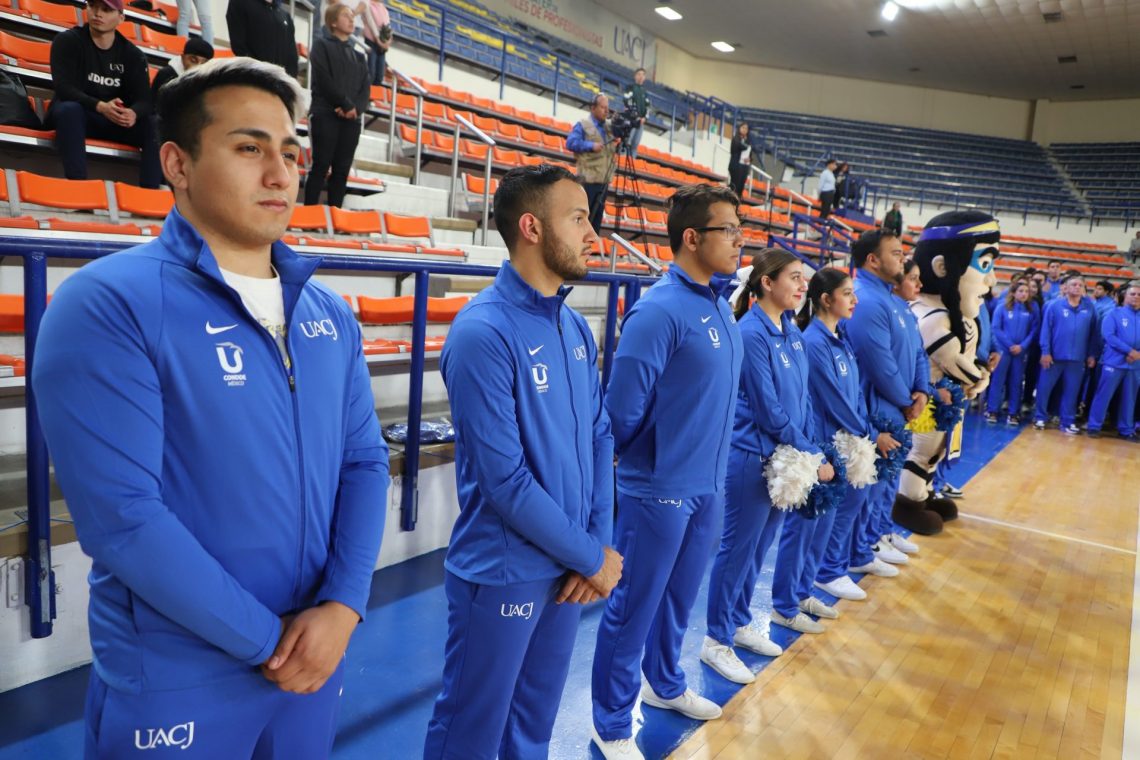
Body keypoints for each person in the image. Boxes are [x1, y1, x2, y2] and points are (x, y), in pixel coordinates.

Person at [33, 57, 389, 758]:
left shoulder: (328, 313)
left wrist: (344, 607)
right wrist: (273, 644)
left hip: (314, 658)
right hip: (181, 678)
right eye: (249, 148)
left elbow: (364, 462)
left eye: (290, 153)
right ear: (178, 164)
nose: (280, 174)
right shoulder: (109, 304)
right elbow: (124, 521)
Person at [423, 164, 621, 759]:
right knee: (471, 730)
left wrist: (595, 546)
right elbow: (504, 480)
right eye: (579, 219)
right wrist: (591, 556)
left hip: (569, 567)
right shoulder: (482, 332)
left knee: (533, 728)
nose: (594, 236)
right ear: (532, 228)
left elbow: (600, 435)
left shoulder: (574, 327)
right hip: (505, 570)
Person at [592, 184, 744, 760]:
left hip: (708, 485)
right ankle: (611, 723)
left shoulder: (719, 305)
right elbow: (621, 410)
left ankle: (664, 683)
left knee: (678, 600)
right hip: (658, 488)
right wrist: (649, 462)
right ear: (692, 237)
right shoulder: (658, 310)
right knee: (632, 609)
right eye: (729, 229)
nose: (739, 240)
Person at [803, 268, 901, 603]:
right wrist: (871, 434)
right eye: (847, 293)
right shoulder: (814, 342)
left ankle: (835, 565)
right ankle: (826, 572)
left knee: (854, 501)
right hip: (829, 440)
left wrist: (866, 430)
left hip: (852, 435)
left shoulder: (840, 338)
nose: (854, 299)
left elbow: (856, 394)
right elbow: (834, 400)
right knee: (829, 512)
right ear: (825, 299)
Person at [844, 230, 927, 559]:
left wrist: (922, 391)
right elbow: (880, 364)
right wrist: (908, 401)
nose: (903, 259)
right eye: (895, 253)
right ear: (872, 260)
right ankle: (860, 549)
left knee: (886, 482)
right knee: (869, 484)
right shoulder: (866, 299)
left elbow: (918, 352)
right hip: (878, 405)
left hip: (899, 405)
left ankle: (877, 534)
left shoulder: (894, 301)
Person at [47, 0, 161, 188]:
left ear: (121, 18)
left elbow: (145, 101)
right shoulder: (67, 41)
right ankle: (78, 187)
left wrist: (133, 113)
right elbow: (64, 88)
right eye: (93, 6)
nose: (97, 13)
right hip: (81, 115)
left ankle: (150, 193)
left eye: (106, 10)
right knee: (70, 110)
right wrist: (100, 106)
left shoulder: (133, 55)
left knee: (155, 123)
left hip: (114, 121)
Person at [304, 3, 370, 208]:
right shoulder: (321, 45)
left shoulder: (360, 56)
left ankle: (335, 215)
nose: (351, 20)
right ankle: (309, 214)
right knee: (320, 166)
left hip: (351, 120)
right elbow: (324, 80)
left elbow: (365, 90)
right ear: (332, 22)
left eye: (352, 16)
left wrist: (355, 109)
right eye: (345, 15)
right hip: (325, 114)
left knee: (342, 171)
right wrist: (345, 104)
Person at [1034, 274, 1098, 434]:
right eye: (1074, 284)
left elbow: (1094, 333)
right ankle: (1040, 417)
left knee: (1072, 392)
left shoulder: (1090, 308)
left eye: (1080, 285)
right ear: (1066, 288)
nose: (1077, 287)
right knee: (1044, 388)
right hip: (1054, 357)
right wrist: (1045, 351)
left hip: (1078, 358)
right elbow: (1046, 330)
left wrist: (1091, 354)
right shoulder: (1054, 306)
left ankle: (1067, 421)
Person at [1086, 281, 1140, 440]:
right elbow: (1109, 336)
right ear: (1125, 296)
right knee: (1103, 395)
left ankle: (1126, 429)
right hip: (1114, 363)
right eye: (1132, 294)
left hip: (1135, 364)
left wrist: (1137, 354)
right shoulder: (1114, 314)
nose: (1136, 297)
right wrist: (1129, 351)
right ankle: (1094, 426)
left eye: (1139, 295)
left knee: (1130, 398)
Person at [986, 280, 1039, 426]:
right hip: (1003, 351)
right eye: (1021, 291)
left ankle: (1013, 412)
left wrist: (1022, 346)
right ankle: (992, 410)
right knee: (998, 380)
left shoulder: (1031, 310)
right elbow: (996, 328)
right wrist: (1010, 345)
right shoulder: (1002, 307)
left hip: (1020, 352)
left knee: (1016, 382)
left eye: (1026, 291)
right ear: (1013, 293)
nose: (1024, 294)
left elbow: (1034, 330)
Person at [566, 94, 615, 235]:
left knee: (596, 222)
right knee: (583, 217)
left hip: (603, 181)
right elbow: (571, 143)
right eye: (603, 107)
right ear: (593, 108)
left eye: (607, 108)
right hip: (587, 181)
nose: (606, 111)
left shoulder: (608, 127)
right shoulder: (583, 125)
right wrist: (590, 145)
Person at [227, 0, 300, 78]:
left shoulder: (285, 16)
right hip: (252, 77)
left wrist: (289, 80)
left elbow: (292, 56)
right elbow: (239, 46)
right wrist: (259, 73)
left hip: (279, 80)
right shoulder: (239, 3)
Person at [359, 0, 392, 86]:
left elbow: (388, 25)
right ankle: (366, 90)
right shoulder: (367, 4)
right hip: (371, 40)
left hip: (382, 43)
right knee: (371, 71)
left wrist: (388, 40)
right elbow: (371, 23)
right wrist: (378, 39)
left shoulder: (383, 8)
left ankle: (375, 90)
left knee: (380, 74)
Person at [622, 67, 649, 158]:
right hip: (631, 120)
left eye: (643, 75)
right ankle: (622, 161)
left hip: (641, 122)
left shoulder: (645, 92)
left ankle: (632, 161)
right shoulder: (630, 88)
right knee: (627, 141)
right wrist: (635, 115)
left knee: (635, 145)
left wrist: (645, 118)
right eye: (639, 74)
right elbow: (627, 100)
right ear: (635, 76)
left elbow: (648, 106)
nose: (641, 76)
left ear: (645, 78)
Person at [727, 122, 752, 199]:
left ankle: (738, 200)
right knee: (734, 186)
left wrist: (749, 159)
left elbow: (750, 154)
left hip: (744, 167)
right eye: (743, 128)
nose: (745, 130)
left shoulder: (748, 141)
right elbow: (742, 147)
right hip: (736, 166)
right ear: (739, 128)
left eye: (746, 128)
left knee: (741, 186)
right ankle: (731, 200)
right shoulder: (736, 138)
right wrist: (745, 141)